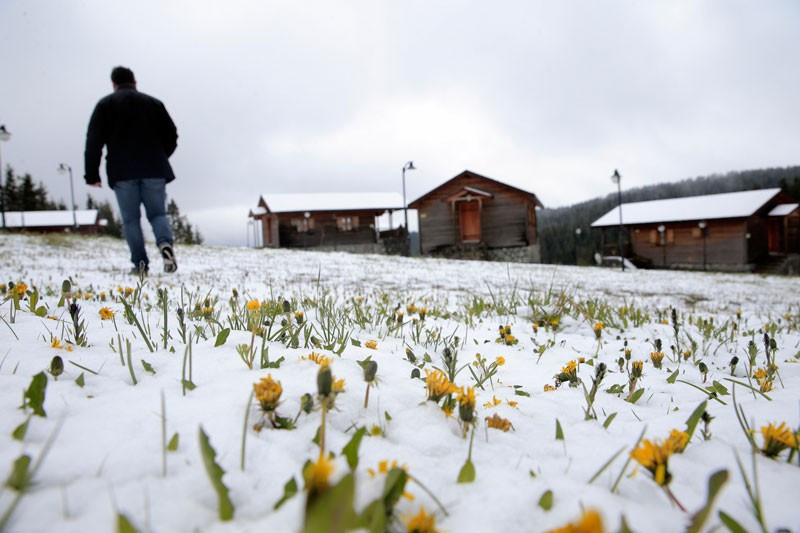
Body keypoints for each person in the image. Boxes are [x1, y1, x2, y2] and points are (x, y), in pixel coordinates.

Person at [84, 66, 178, 274]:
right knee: (158, 214)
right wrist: (161, 156)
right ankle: (165, 244)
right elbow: (172, 135)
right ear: (134, 82)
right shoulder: (153, 103)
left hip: (122, 171)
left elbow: (94, 141)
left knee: (131, 220)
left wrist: (92, 174)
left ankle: (140, 264)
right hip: (154, 169)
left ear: (114, 84)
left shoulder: (105, 105)